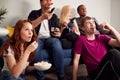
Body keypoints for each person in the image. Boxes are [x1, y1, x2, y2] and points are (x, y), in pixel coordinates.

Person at [28, 0, 65, 80]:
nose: (48, 1)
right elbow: (29, 27)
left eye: (50, 0)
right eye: (46, 0)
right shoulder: (34, 13)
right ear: (41, 3)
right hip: (38, 38)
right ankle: (40, 78)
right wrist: (42, 17)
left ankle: (61, 76)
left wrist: (59, 32)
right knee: (36, 47)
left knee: (57, 44)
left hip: (50, 38)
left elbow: (57, 29)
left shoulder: (54, 16)